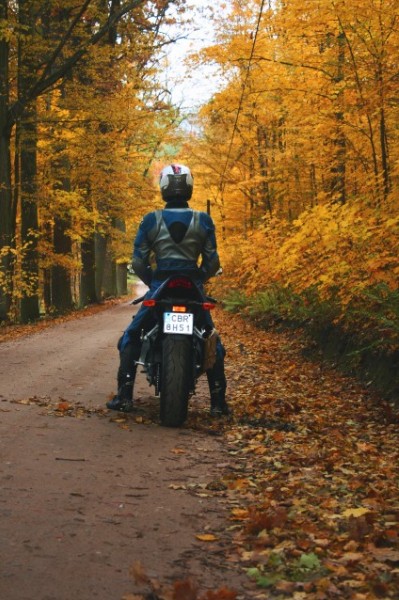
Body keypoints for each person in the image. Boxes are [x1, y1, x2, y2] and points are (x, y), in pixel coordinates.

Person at [107, 163, 230, 417]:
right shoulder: (203, 220)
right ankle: (218, 402)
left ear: (163, 187)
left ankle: (124, 395)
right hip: (192, 286)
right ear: (189, 187)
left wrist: (152, 280)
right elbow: (213, 261)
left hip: (160, 285)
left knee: (132, 334)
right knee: (211, 338)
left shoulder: (151, 220)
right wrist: (201, 277)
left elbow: (139, 260)